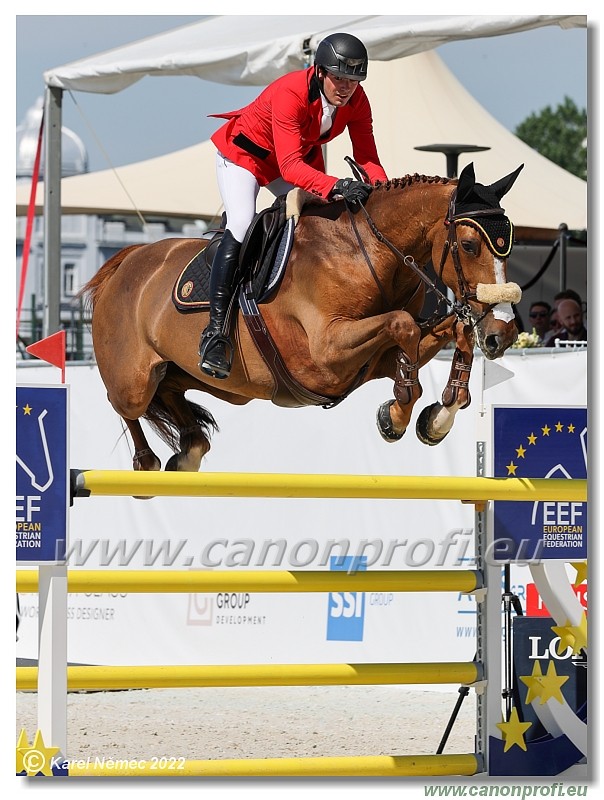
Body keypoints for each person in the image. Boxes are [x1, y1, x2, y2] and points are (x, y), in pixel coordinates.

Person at [199, 32, 388, 379]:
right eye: (339, 78)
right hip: (244, 157)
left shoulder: (358, 102)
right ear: (319, 72)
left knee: (322, 219)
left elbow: (368, 158)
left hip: (293, 159)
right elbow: (290, 169)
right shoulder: (290, 92)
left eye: (353, 80)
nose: (346, 88)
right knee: (241, 222)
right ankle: (215, 333)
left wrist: (384, 194)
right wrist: (338, 185)